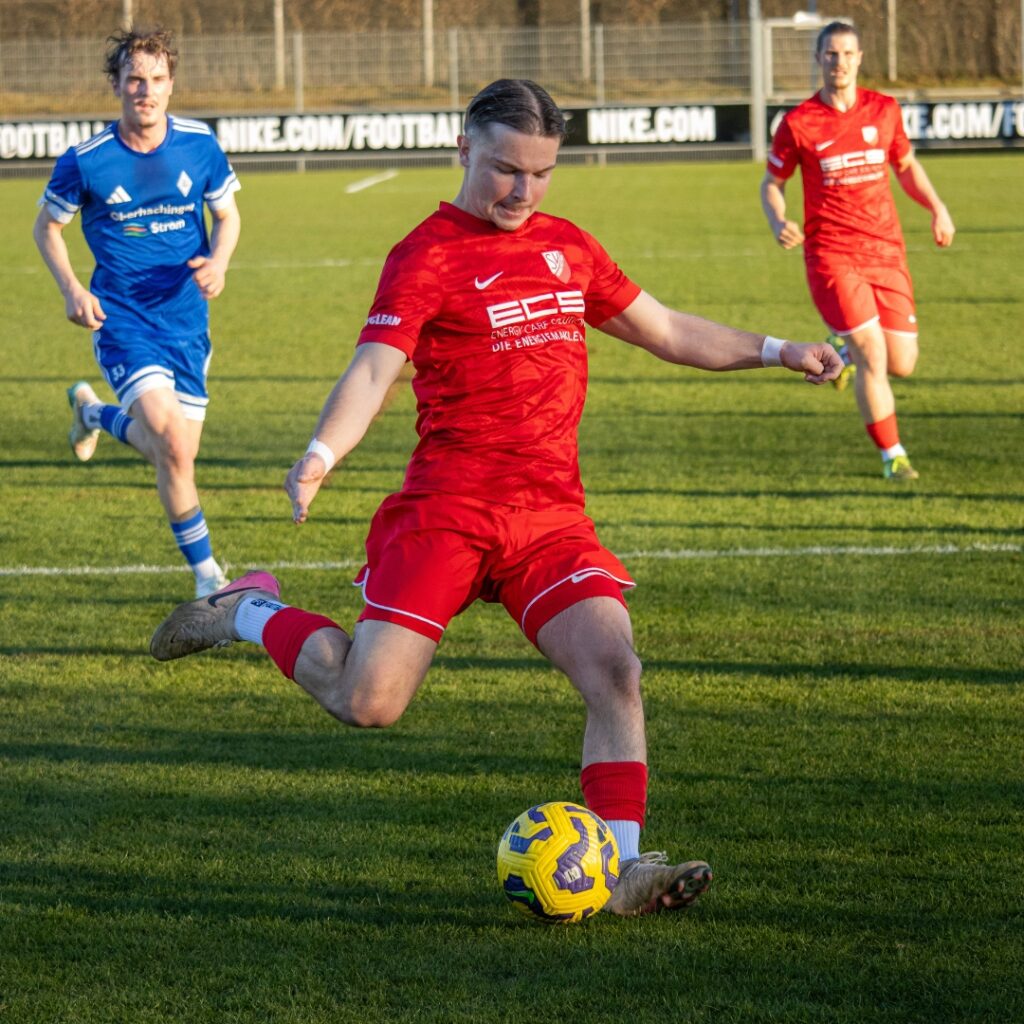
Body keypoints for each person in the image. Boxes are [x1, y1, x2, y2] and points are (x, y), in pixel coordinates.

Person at [150, 79, 841, 916]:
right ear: (465, 149)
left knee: (616, 670)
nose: (523, 190)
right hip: (448, 509)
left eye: (541, 173)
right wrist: (322, 452)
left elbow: (665, 330)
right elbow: (375, 368)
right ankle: (244, 609)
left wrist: (778, 349)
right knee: (368, 702)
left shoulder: (568, 247)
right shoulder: (425, 254)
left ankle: (622, 870)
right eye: (507, 169)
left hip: (549, 515)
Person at [34, 26, 241, 596]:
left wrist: (219, 262)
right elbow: (46, 227)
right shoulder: (87, 160)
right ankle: (208, 579)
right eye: (133, 79)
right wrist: (73, 288)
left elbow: (228, 216)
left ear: (171, 85)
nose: (144, 90)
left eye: (155, 79)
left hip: (186, 321)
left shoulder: (199, 145)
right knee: (172, 445)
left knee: (172, 450)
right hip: (122, 318)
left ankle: (93, 414)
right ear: (118, 87)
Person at [760, 21, 955, 482]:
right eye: (830, 55)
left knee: (902, 363)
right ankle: (894, 456)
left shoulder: (884, 110)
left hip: (886, 251)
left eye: (847, 54)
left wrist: (937, 207)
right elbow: (772, 182)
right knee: (872, 353)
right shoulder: (799, 123)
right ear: (819, 59)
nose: (839, 63)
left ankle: (839, 350)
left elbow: (906, 167)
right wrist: (777, 219)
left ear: (860, 58)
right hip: (832, 255)